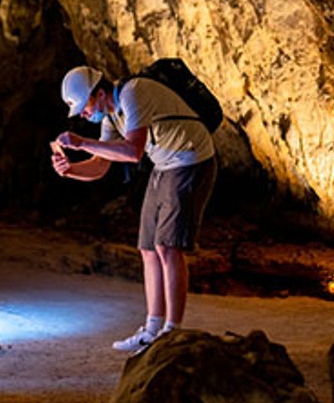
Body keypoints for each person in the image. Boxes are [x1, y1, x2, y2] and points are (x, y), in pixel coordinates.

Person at [52, 65, 217, 352]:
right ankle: (152, 328)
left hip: (191, 159)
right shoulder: (112, 118)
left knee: (168, 247)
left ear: (99, 93)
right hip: (164, 165)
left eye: (84, 107)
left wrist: (81, 143)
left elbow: (133, 151)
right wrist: (70, 170)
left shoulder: (133, 93)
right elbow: (101, 166)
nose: (83, 114)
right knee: (148, 248)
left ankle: (171, 331)